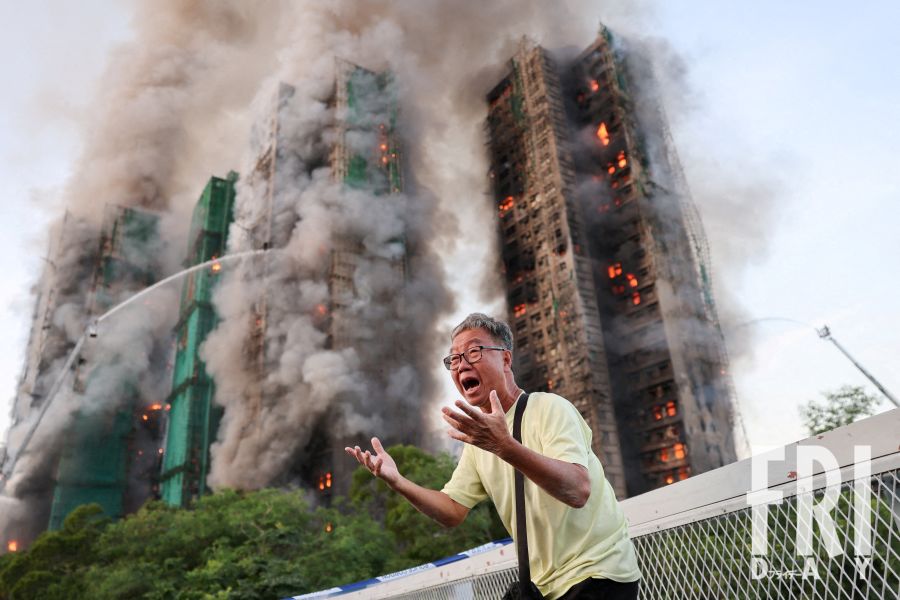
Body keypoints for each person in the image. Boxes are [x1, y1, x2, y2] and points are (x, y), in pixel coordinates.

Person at [346, 313, 641, 599]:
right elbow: (452, 511)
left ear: (506, 359)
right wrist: (397, 481)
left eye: (474, 351)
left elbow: (577, 490)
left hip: (598, 574)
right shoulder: (479, 442)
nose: (462, 364)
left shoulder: (549, 408)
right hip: (543, 587)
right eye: (455, 359)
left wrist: (504, 446)